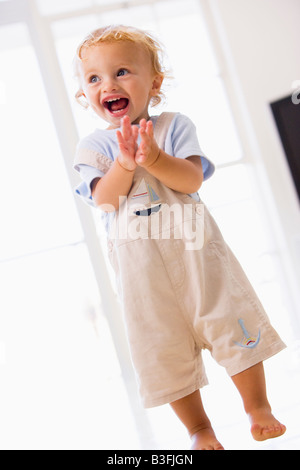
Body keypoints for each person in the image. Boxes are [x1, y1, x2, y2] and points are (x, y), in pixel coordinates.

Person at [72, 25, 286, 450]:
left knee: (230, 320)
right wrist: (126, 165)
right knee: (161, 348)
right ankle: (199, 429)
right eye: (94, 79)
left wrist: (152, 156)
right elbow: (105, 200)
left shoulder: (172, 127)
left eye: (122, 72)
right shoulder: (93, 148)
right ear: (84, 94)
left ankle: (256, 406)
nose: (108, 84)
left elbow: (190, 181)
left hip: (197, 258)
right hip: (142, 276)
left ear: (154, 83)